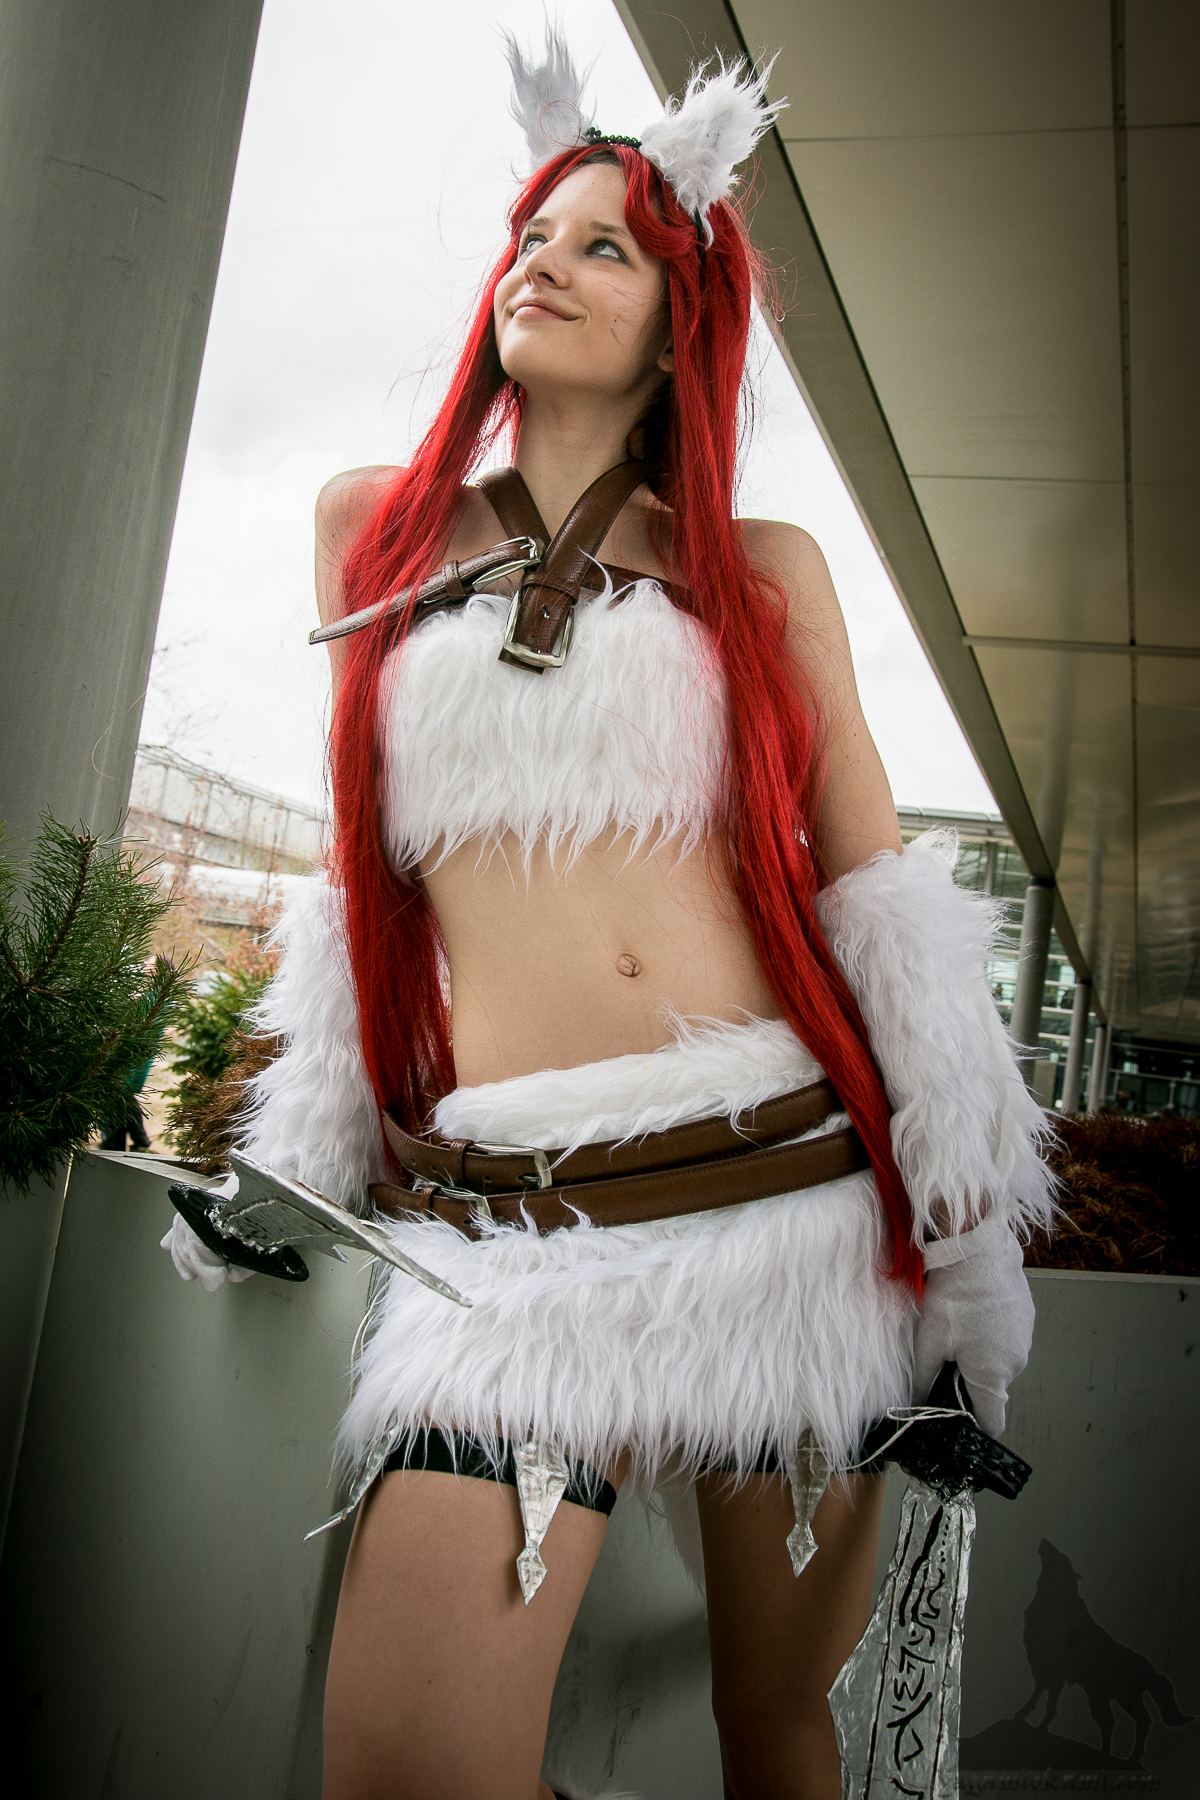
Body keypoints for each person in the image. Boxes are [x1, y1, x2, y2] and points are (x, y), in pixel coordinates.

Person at [162, 37, 1052, 1800]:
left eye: (606, 247)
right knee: (408, 1771)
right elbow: (363, 889)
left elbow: (882, 906)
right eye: (532, 235)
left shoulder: (765, 570)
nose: (543, 264)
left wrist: (969, 1261)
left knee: (774, 1728)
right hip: (511, 1241)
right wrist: (307, 1154)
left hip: (791, 1210)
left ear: (677, 323)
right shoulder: (371, 532)